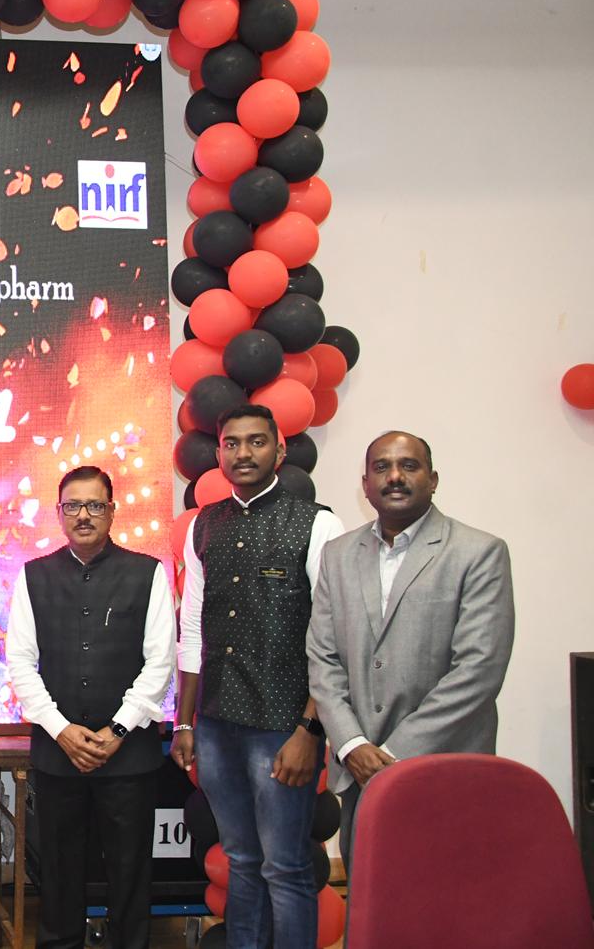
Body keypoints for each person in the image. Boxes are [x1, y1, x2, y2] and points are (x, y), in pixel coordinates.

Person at [170, 405, 344, 949]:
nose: (243, 453)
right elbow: (192, 627)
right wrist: (184, 722)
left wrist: (310, 730)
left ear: (280, 449)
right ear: (218, 453)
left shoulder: (317, 524)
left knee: (285, 866)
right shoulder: (204, 525)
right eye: (232, 444)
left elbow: (332, 638)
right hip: (217, 723)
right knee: (241, 860)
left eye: (256, 442)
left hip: (283, 727)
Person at [307, 431, 514, 871]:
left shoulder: (479, 552)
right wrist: (353, 745)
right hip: (361, 774)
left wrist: (392, 755)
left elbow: (479, 670)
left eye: (409, 465)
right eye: (382, 467)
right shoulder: (338, 555)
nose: (395, 476)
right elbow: (323, 658)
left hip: (447, 771)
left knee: (449, 898)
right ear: (366, 485)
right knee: (372, 897)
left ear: (433, 479)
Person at [6, 466, 176, 949]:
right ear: (59, 513)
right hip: (57, 756)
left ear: (112, 511)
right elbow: (20, 663)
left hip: (130, 757)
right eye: (73, 506)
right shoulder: (34, 576)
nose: (84, 515)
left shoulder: (147, 573)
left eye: (95, 505)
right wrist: (61, 729)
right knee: (59, 878)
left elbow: (161, 661)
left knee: (130, 875)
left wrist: (117, 730)